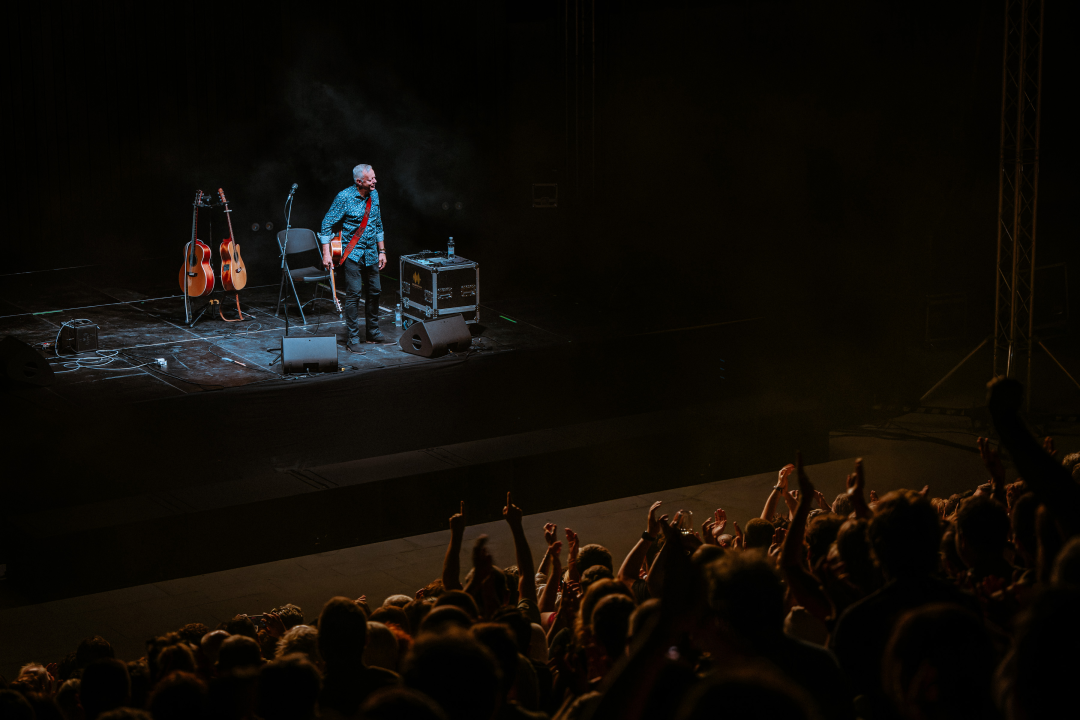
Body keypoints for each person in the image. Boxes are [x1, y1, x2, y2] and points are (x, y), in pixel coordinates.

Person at [319, 164, 388, 347]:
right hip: (352, 254)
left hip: (371, 252)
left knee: (375, 291)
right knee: (354, 294)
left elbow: (378, 224)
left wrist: (382, 251)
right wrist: (326, 254)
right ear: (359, 181)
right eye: (371, 179)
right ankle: (353, 338)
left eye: (374, 177)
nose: (375, 181)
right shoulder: (344, 197)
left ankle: (372, 332)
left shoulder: (374, 195)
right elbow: (326, 223)